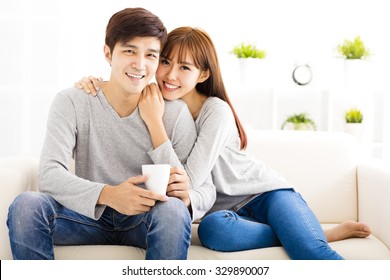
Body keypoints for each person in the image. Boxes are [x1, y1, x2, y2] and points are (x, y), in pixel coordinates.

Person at [76, 27, 371, 259]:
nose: (170, 75)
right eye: (165, 62)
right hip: (222, 213)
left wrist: (155, 124)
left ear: (203, 74)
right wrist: (91, 83)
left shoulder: (216, 111)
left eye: (185, 68)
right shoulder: (153, 98)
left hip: (265, 195)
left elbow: (190, 181)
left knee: (310, 252)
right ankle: (306, 232)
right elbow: (117, 87)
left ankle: (309, 235)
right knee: (213, 233)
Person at [6, 8, 216, 260]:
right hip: (86, 217)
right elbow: (50, 174)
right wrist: (110, 194)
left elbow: (207, 189)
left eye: (150, 55)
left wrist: (187, 195)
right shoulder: (72, 101)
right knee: (26, 206)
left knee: (172, 211)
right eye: (129, 51)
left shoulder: (174, 113)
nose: (139, 64)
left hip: (146, 220)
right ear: (108, 53)